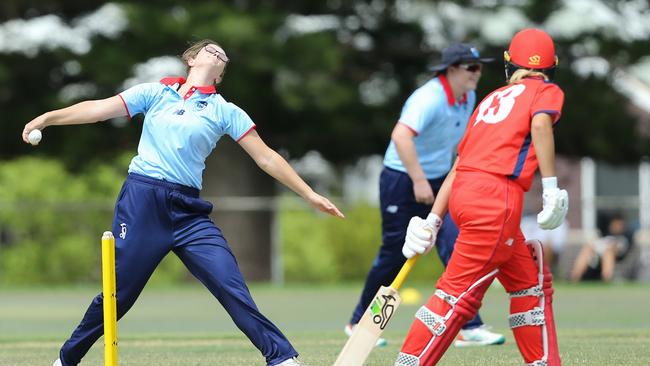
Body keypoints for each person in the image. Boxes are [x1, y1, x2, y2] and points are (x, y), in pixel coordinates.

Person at [22, 39, 344, 366]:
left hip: (189, 213)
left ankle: (282, 358)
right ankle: (66, 360)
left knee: (230, 286)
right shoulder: (155, 93)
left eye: (223, 54)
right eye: (209, 48)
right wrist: (48, 117)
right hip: (142, 203)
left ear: (220, 76)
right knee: (118, 297)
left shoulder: (225, 110)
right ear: (191, 59)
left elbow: (266, 158)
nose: (217, 52)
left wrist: (309, 194)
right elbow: (96, 110)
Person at [395, 28, 567, 366]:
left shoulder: (490, 100)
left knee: (529, 283)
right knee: (455, 296)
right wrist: (551, 188)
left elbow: (459, 166)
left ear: (508, 64)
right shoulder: (545, 91)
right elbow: (541, 127)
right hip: (497, 201)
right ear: (551, 66)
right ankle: (409, 362)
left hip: (466, 194)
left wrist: (434, 218)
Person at [345, 43, 504, 348]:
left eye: (479, 67)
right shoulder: (428, 98)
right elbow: (401, 136)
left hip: (438, 179)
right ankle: (359, 323)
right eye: (470, 67)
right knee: (394, 252)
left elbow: (459, 144)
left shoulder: (467, 97)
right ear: (451, 69)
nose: (477, 73)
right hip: (402, 178)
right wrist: (419, 180)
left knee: (456, 245)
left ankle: (468, 326)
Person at [570, 214, 633, 282]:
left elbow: (622, 247)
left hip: (614, 251)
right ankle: (575, 277)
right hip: (599, 252)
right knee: (587, 248)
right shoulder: (606, 233)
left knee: (608, 252)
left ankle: (606, 278)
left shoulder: (626, 235)